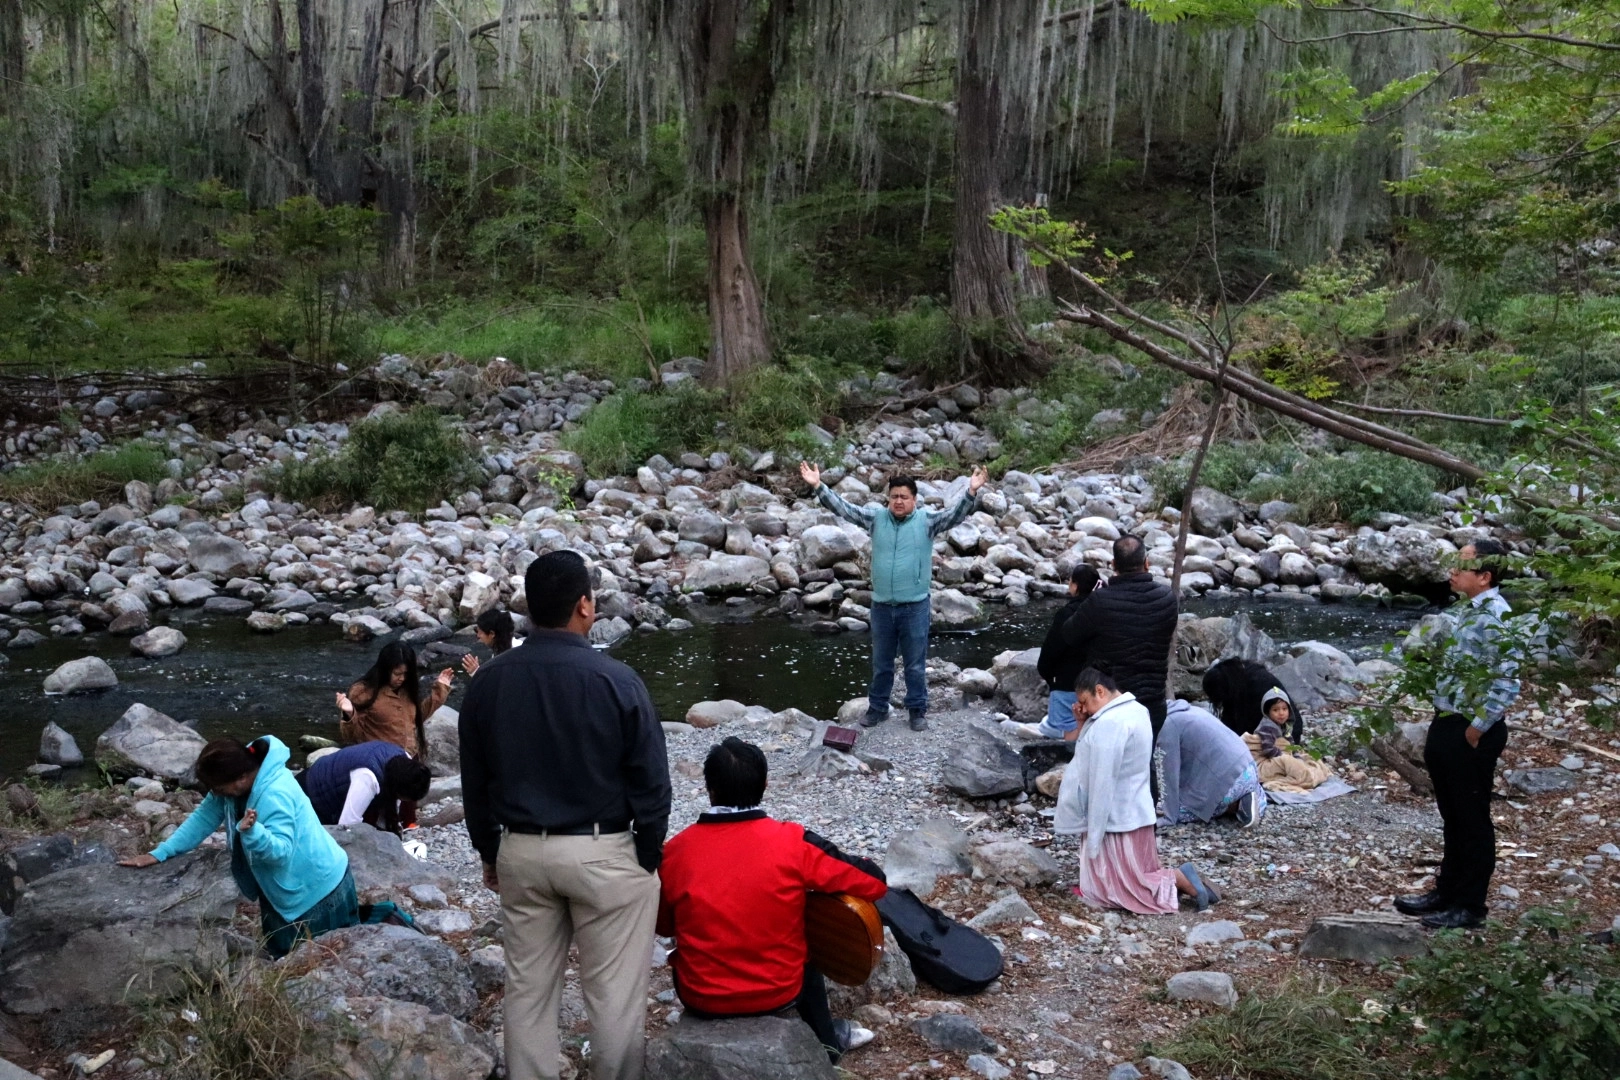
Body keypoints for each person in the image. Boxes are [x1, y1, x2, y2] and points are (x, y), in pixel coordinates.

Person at [460, 549, 671, 1080]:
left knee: (527, 991)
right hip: (604, 851)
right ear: (584, 605)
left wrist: (489, 851)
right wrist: (647, 854)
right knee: (614, 996)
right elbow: (651, 782)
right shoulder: (617, 680)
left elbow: (475, 782)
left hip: (522, 850)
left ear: (530, 608)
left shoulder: (488, 682)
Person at [657, 737, 884, 1063]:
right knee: (807, 940)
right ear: (765, 785)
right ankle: (828, 1045)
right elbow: (874, 883)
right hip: (780, 991)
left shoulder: (675, 852)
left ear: (710, 790)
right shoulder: (792, 842)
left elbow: (664, 925)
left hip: (701, 996)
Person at [118, 736, 358, 958]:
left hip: (316, 891)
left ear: (241, 778)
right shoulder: (240, 770)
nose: (215, 794)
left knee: (315, 961)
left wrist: (253, 832)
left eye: (218, 789)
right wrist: (160, 853)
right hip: (287, 886)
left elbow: (281, 853)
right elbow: (204, 817)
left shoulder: (275, 793)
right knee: (284, 956)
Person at [799, 460, 988, 732]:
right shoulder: (876, 518)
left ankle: (917, 711)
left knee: (915, 665)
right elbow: (845, 509)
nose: (898, 501)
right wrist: (818, 486)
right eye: (894, 496)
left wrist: (971, 491)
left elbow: (954, 515)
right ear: (888, 499)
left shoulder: (927, 521)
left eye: (904, 497)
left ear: (914, 500)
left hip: (915, 606)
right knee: (881, 664)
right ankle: (877, 708)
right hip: (882, 606)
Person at [1396, 540, 1520, 931]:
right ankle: (1446, 892)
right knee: (1452, 814)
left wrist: (1477, 727)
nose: (1452, 570)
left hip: (1472, 729)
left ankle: (1469, 906)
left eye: (1462, 565)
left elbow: (1507, 679)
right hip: (1448, 720)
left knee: (1472, 818)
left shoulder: (1497, 614)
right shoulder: (1467, 609)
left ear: (1485, 577)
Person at [1054, 668, 1221, 913]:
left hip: (1115, 816)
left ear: (1099, 691)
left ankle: (1177, 879)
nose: (1085, 709)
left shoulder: (1109, 723)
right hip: (1137, 809)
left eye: (1085, 702)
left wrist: (1094, 834)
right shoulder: (1136, 710)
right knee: (1136, 872)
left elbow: (1102, 778)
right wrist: (1083, 722)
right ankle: (1178, 880)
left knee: (1123, 887)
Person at [1059, 536, 1179, 738]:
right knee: (1143, 755)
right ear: (1146, 563)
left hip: (1111, 702)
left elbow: (1069, 635)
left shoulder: (1100, 601)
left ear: (1113, 564)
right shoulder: (1167, 598)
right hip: (1152, 701)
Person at [1003, 564, 1102, 740]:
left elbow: (1050, 652)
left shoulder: (1067, 614)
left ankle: (1043, 730)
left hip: (1066, 684)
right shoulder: (1102, 613)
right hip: (1097, 687)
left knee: (1057, 728)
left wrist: (1050, 678)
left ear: (1075, 585)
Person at [1155, 698, 1265, 829]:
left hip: (1229, 784)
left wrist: (1168, 816)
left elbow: (1168, 775)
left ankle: (1233, 804)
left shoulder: (1167, 726)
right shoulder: (1189, 710)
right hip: (1249, 770)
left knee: (1172, 809)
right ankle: (1247, 797)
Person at [336, 641, 453, 758]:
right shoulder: (363, 691)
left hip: (410, 758)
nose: (402, 678)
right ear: (385, 669)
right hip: (381, 759)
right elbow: (352, 737)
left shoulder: (407, 689)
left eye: (406, 674)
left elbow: (417, 718)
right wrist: (349, 715)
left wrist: (440, 691)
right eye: (397, 673)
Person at [298, 741, 433, 835]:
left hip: (332, 781)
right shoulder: (367, 778)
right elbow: (346, 826)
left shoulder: (404, 760)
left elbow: (392, 807)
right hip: (309, 793)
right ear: (398, 789)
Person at [1202, 658, 1304, 742]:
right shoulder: (1236, 679)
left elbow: (1248, 727)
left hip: (1284, 738)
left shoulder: (1258, 684)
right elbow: (1229, 719)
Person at [461, 608, 518, 676]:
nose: (478, 636)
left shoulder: (516, 652)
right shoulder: (499, 650)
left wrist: (476, 673)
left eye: (479, 632)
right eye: (476, 630)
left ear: (492, 634)